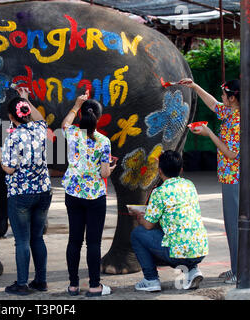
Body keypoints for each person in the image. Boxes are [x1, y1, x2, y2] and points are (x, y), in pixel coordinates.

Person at [178, 78, 240, 284]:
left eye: (225, 95)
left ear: (232, 98)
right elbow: (214, 104)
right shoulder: (231, 111)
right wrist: (195, 86)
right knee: (231, 226)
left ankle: (241, 271)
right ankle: (236, 268)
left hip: (235, 180)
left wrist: (209, 133)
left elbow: (231, 153)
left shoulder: (239, 120)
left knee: (235, 226)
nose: (222, 99)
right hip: (229, 178)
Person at [0, 86, 52, 295]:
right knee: (37, 238)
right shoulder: (40, 129)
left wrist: (0, 158)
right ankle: (41, 281)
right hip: (43, 191)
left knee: (21, 240)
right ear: (27, 111)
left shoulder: (12, 137)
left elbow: (10, 168)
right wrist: (25, 99)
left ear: (11, 116)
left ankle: (21, 284)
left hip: (21, 194)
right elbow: (39, 118)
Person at [61, 92, 116, 297]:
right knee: (94, 242)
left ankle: (73, 286)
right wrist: (112, 167)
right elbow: (104, 173)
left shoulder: (73, 134)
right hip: (95, 197)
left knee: (74, 240)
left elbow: (65, 123)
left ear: (82, 115)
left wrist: (76, 105)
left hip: (72, 193)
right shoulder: (104, 141)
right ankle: (94, 286)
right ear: (98, 118)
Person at [129, 150, 209, 292]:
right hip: (200, 250)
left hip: (177, 253)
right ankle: (192, 270)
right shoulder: (189, 185)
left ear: (159, 171)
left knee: (138, 233)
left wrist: (140, 217)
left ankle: (151, 279)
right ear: (181, 169)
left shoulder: (159, 192)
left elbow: (148, 225)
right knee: (182, 232)